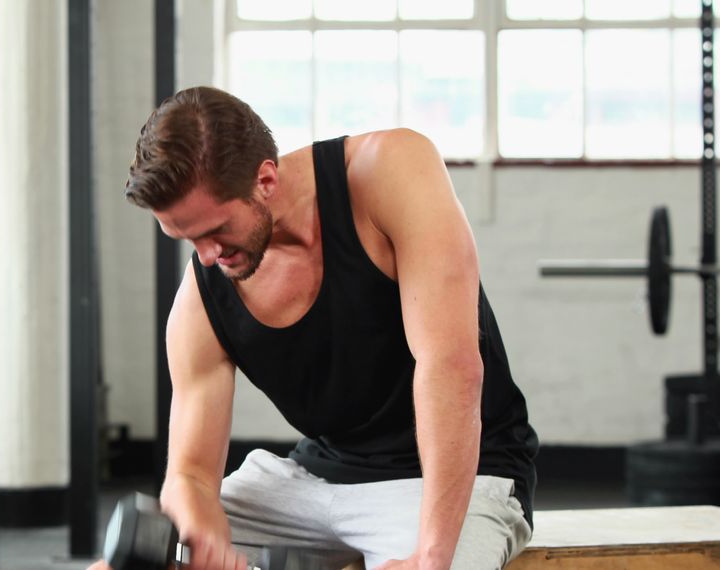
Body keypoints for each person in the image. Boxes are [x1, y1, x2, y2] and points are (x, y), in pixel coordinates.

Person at [96, 86, 538, 570]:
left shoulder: (388, 171)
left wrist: (431, 556)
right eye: (185, 237)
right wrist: (202, 534)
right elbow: (191, 476)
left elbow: (450, 366)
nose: (205, 257)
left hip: (446, 483)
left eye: (214, 231)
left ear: (265, 179)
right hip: (308, 483)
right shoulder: (202, 299)